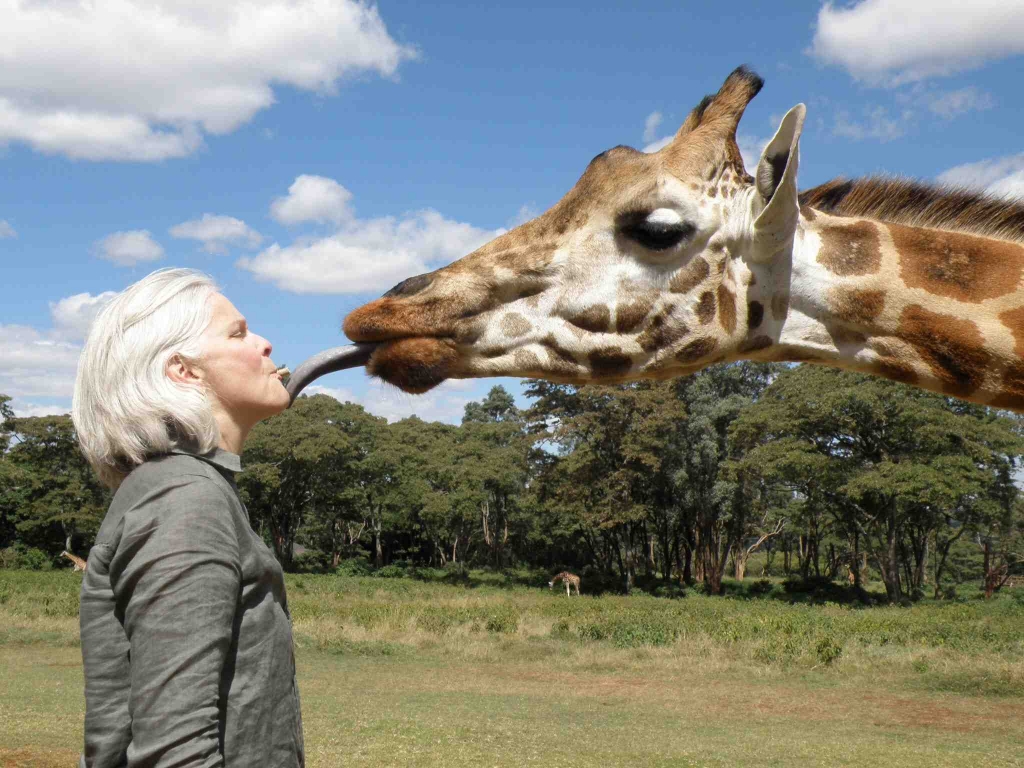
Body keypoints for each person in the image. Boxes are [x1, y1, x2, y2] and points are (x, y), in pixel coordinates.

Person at [72, 268, 302, 767]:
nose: (265, 344)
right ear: (185, 371)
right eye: (238, 333)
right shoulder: (184, 499)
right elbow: (173, 754)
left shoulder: (188, 487)